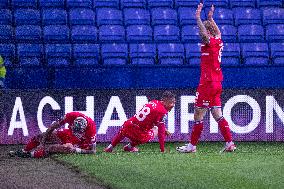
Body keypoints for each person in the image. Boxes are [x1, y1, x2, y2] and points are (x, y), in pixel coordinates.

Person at [176, 3, 236, 153]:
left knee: (198, 114)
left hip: (208, 83)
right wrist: (210, 18)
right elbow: (218, 33)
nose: (200, 34)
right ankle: (229, 143)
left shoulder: (209, 43)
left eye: (203, 30)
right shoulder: (218, 41)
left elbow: (204, 35)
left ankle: (192, 146)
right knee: (217, 114)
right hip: (217, 83)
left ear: (208, 32)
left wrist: (198, 18)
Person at [104, 91, 176, 153]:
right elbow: (161, 132)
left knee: (124, 129)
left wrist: (164, 129)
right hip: (138, 133)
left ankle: (110, 147)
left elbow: (150, 118)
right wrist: (162, 149)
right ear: (165, 101)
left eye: (174, 103)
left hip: (128, 126)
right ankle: (130, 146)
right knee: (155, 130)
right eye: (171, 103)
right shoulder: (162, 111)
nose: (173, 105)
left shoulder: (154, 101)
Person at [9, 112, 97, 158]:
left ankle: (31, 155)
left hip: (79, 143)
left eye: (79, 131)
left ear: (84, 128)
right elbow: (52, 127)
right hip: (67, 134)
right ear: (73, 123)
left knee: (55, 148)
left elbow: (93, 151)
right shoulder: (71, 115)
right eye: (74, 128)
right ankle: (24, 151)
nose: (76, 132)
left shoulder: (91, 129)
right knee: (40, 136)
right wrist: (42, 143)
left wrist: (76, 150)